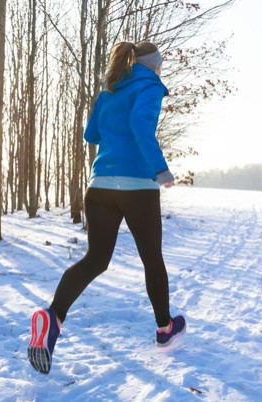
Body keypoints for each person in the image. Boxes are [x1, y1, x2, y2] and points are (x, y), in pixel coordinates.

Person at [27, 40, 186, 374]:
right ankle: (164, 329)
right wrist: (160, 169)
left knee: (95, 260)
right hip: (137, 186)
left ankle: (53, 317)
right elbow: (140, 124)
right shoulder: (150, 86)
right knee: (151, 259)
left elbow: (91, 134)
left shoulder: (110, 89)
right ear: (154, 66)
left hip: (99, 186)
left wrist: (114, 128)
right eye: (160, 65)